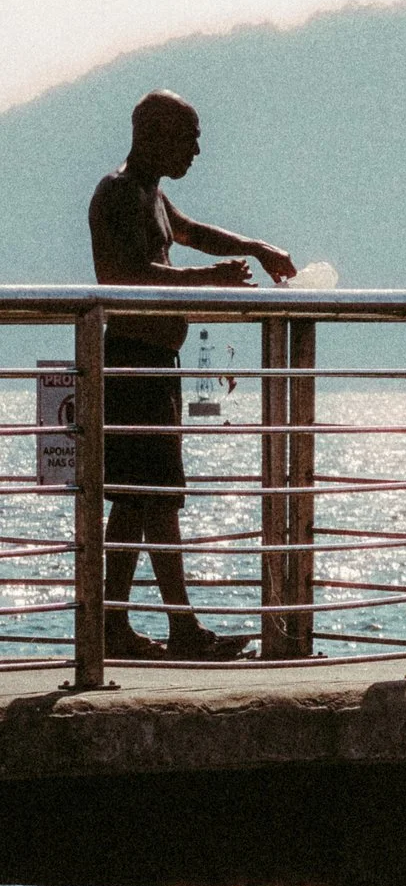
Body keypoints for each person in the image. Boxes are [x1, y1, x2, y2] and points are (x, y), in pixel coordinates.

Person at [87, 91, 295, 660]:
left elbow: (194, 232)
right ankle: (164, 628)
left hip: (157, 364)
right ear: (153, 133)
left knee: (145, 499)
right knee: (148, 497)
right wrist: (209, 280)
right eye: (190, 136)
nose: (197, 149)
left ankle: (134, 625)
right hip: (132, 361)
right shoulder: (116, 192)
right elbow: (125, 275)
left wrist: (255, 247)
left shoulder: (153, 196)